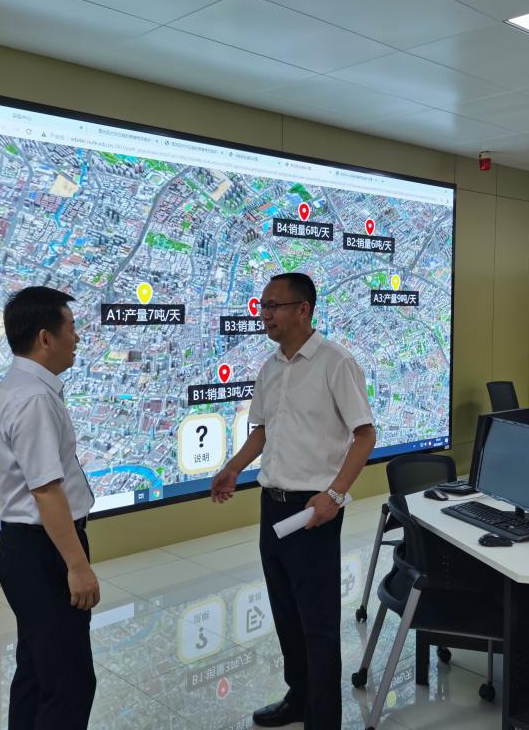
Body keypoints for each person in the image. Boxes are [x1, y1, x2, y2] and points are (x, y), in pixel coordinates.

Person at [210, 272, 376, 728]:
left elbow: (365, 435)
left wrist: (334, 495)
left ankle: (323, 719)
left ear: (303, 309)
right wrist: (233, 468)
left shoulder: (336, 363)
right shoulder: (271, 367)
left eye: (273, 306)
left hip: (314, 509)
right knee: (285, 612)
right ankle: (299, 698)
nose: (265, 315)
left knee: (317, 623)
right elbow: (263, 430)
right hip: (274, 504)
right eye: (262, 307)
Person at [0, 286, 99, 730]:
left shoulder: (22, 385)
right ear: (45, 337)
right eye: (71, 328)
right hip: (44, 552)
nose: (77, 337)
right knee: (70, 684)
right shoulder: (34, 398)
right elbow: (47, 492)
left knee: (37, 673)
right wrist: (77, 565)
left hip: (28, 548)